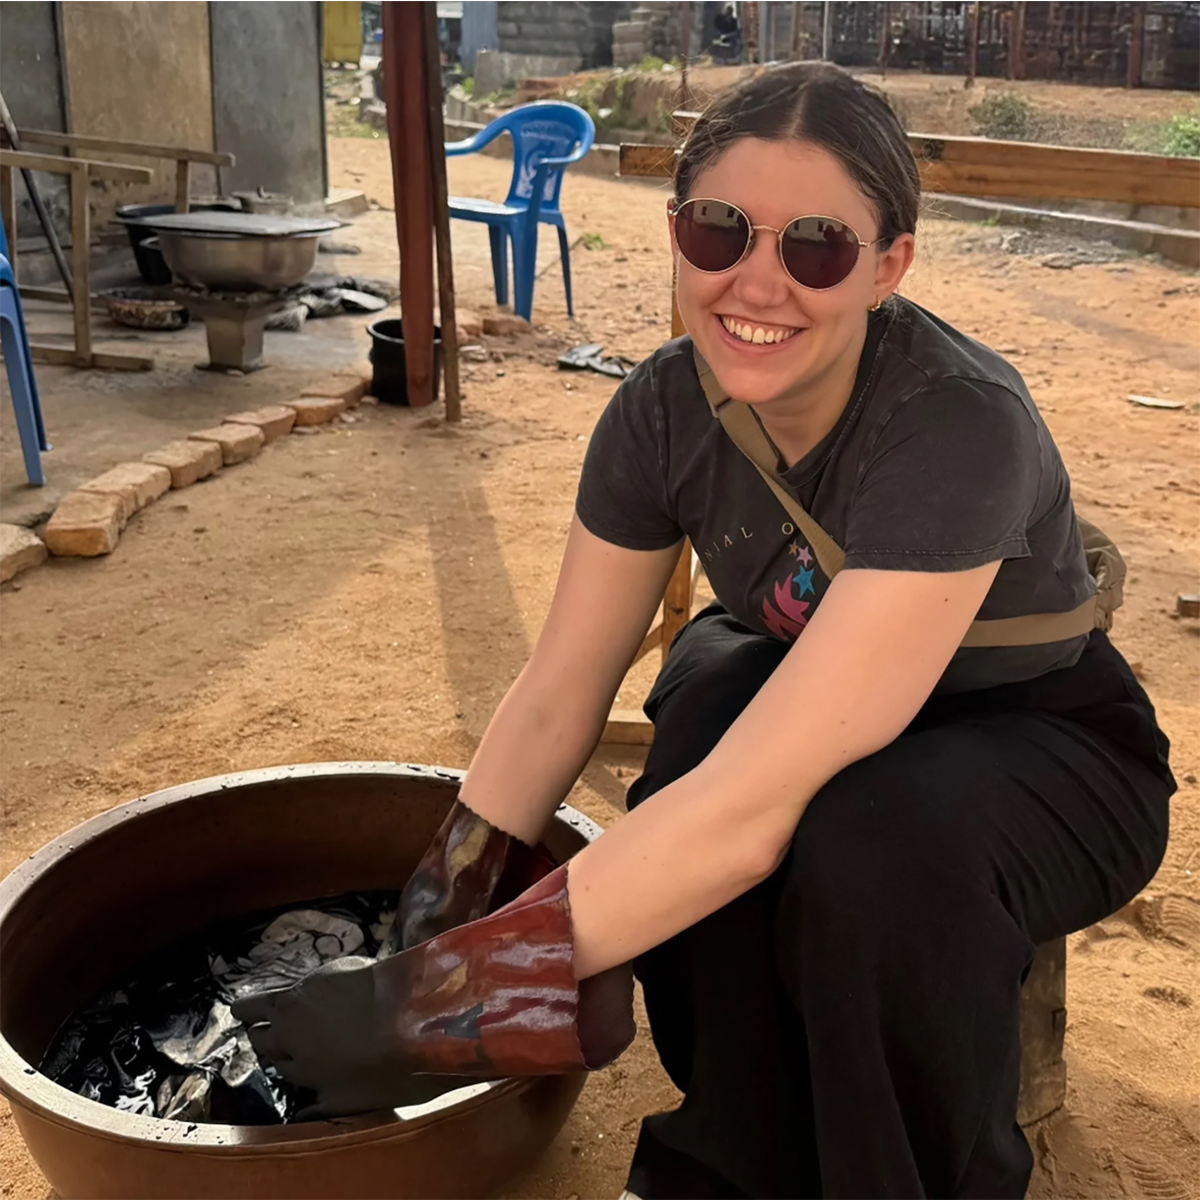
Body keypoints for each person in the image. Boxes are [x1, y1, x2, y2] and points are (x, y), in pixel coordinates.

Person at [234, 64, 1174, 1199]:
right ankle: (726, 1159)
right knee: (701, 717)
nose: (758, 283)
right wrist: (430, 915)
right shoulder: (664, 410)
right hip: (818, 697)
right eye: (718, 230)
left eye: (817, 245)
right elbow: (557, 691)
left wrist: (429, 1008)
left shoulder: (953, 422)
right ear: (676, 234)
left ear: (889, 266)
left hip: (1046, 744)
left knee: (866, 848)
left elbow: (748, 817)